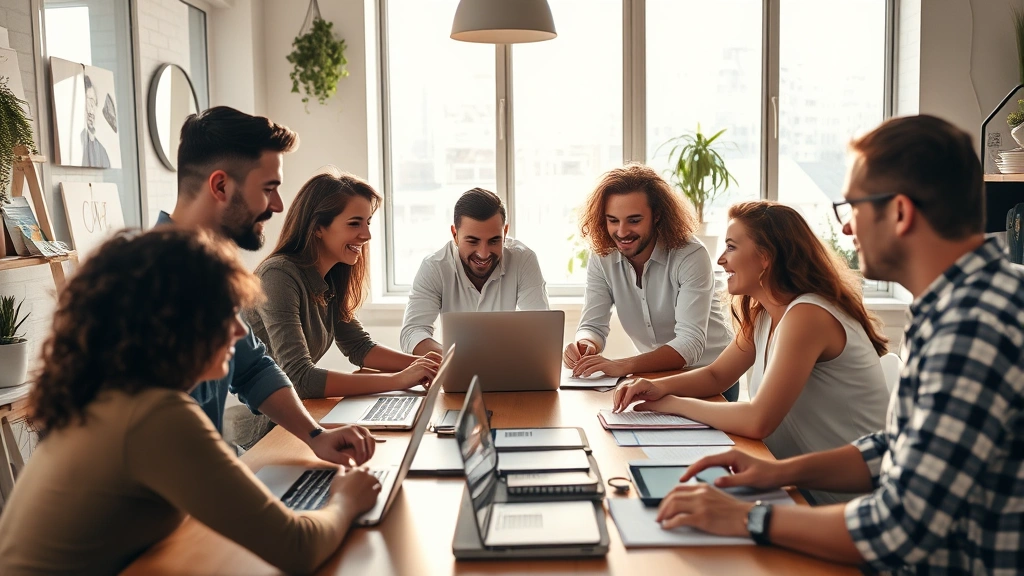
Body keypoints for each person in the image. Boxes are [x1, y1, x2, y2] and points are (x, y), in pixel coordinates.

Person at [655, 116, 1024, 574]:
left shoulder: (972, 326)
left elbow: (898, 529)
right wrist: (781, 472)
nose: (846, 229)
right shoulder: (963, 304)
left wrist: (747, 517)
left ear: (900, 212)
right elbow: (897, 447)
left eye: (851, 207)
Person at [0, 229, 381, 575]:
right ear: (175, 323)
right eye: (223, 315)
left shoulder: (113, 393)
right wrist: (346, 499)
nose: (238, 332)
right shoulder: (156, 413)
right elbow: (298, 549)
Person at [613, 201, 890, 504]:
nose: (721, 260)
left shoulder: (807, 316)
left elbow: (758, 420)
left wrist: (671, 404)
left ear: (765, 257)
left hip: (844, 500)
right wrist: (655, 387)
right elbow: (717, 375)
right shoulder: (764, 313)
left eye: (731, 247)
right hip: (793, 483)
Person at [159, 106, 368, 463]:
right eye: (269, 188)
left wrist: (316, 436)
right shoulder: (155, 278)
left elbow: (254, 368)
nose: (279, 204)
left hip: (214, 468)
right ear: (221, 186)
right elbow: (166, 447)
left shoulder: (210, 273)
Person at [238, 169, 441, 448]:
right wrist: (398, 380)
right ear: (318, 227)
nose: (367, 234)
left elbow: (359, 347)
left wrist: (428, 367)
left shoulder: (329, 277)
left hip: (302, 424)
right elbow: (300, 378)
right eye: (355, 223)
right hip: (269, 435)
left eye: (367, 222)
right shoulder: (278, 276)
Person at [564, 164, 736, 399]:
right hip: (654, 376)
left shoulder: (690, 255)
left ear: (656, 216)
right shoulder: (602, 257)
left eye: (633, 220)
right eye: (613, 220)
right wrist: (585, 345)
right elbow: (592, 326)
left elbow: (690, 343)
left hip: (710, 376)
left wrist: (622, 365)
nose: (622, 232)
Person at [400, 187, 549, 355]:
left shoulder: (523, 260)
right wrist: (457, 359)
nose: (483, 253)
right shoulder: (434, 267)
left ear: (505, 232)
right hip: (455, 370)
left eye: (494, 241)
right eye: (473, 241)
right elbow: (412, 333)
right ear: (455, 234)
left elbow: (541, 331)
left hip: (510, 373)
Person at [80, 74, 111, 168]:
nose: (91, 109)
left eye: (93, 102)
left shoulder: (102, 151)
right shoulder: (77, 145)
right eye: (87, 101)